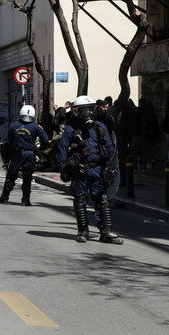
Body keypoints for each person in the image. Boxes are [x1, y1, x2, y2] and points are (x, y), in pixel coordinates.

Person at [57, 95, 122, 244]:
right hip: (79, 171)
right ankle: (83, 231)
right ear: (76, 112)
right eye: (84, 110)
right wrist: (63, 170)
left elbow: (110, 148)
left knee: (102, 200)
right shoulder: (69, 129)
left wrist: (111, 167)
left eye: (90, 110)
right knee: (80, 199)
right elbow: (61, 150)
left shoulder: (100, 127)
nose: (88, 113)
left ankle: (106, 232)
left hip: (98, 170)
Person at [0, 105, 48, 206]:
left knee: (11, 176)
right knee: (27, 177)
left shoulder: (14, 125)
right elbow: (45, 139)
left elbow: (9, 141)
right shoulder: (36, 126)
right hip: (30, 154)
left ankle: (5, 197)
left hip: (17, 154)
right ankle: (25, 200)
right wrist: (39, 149)